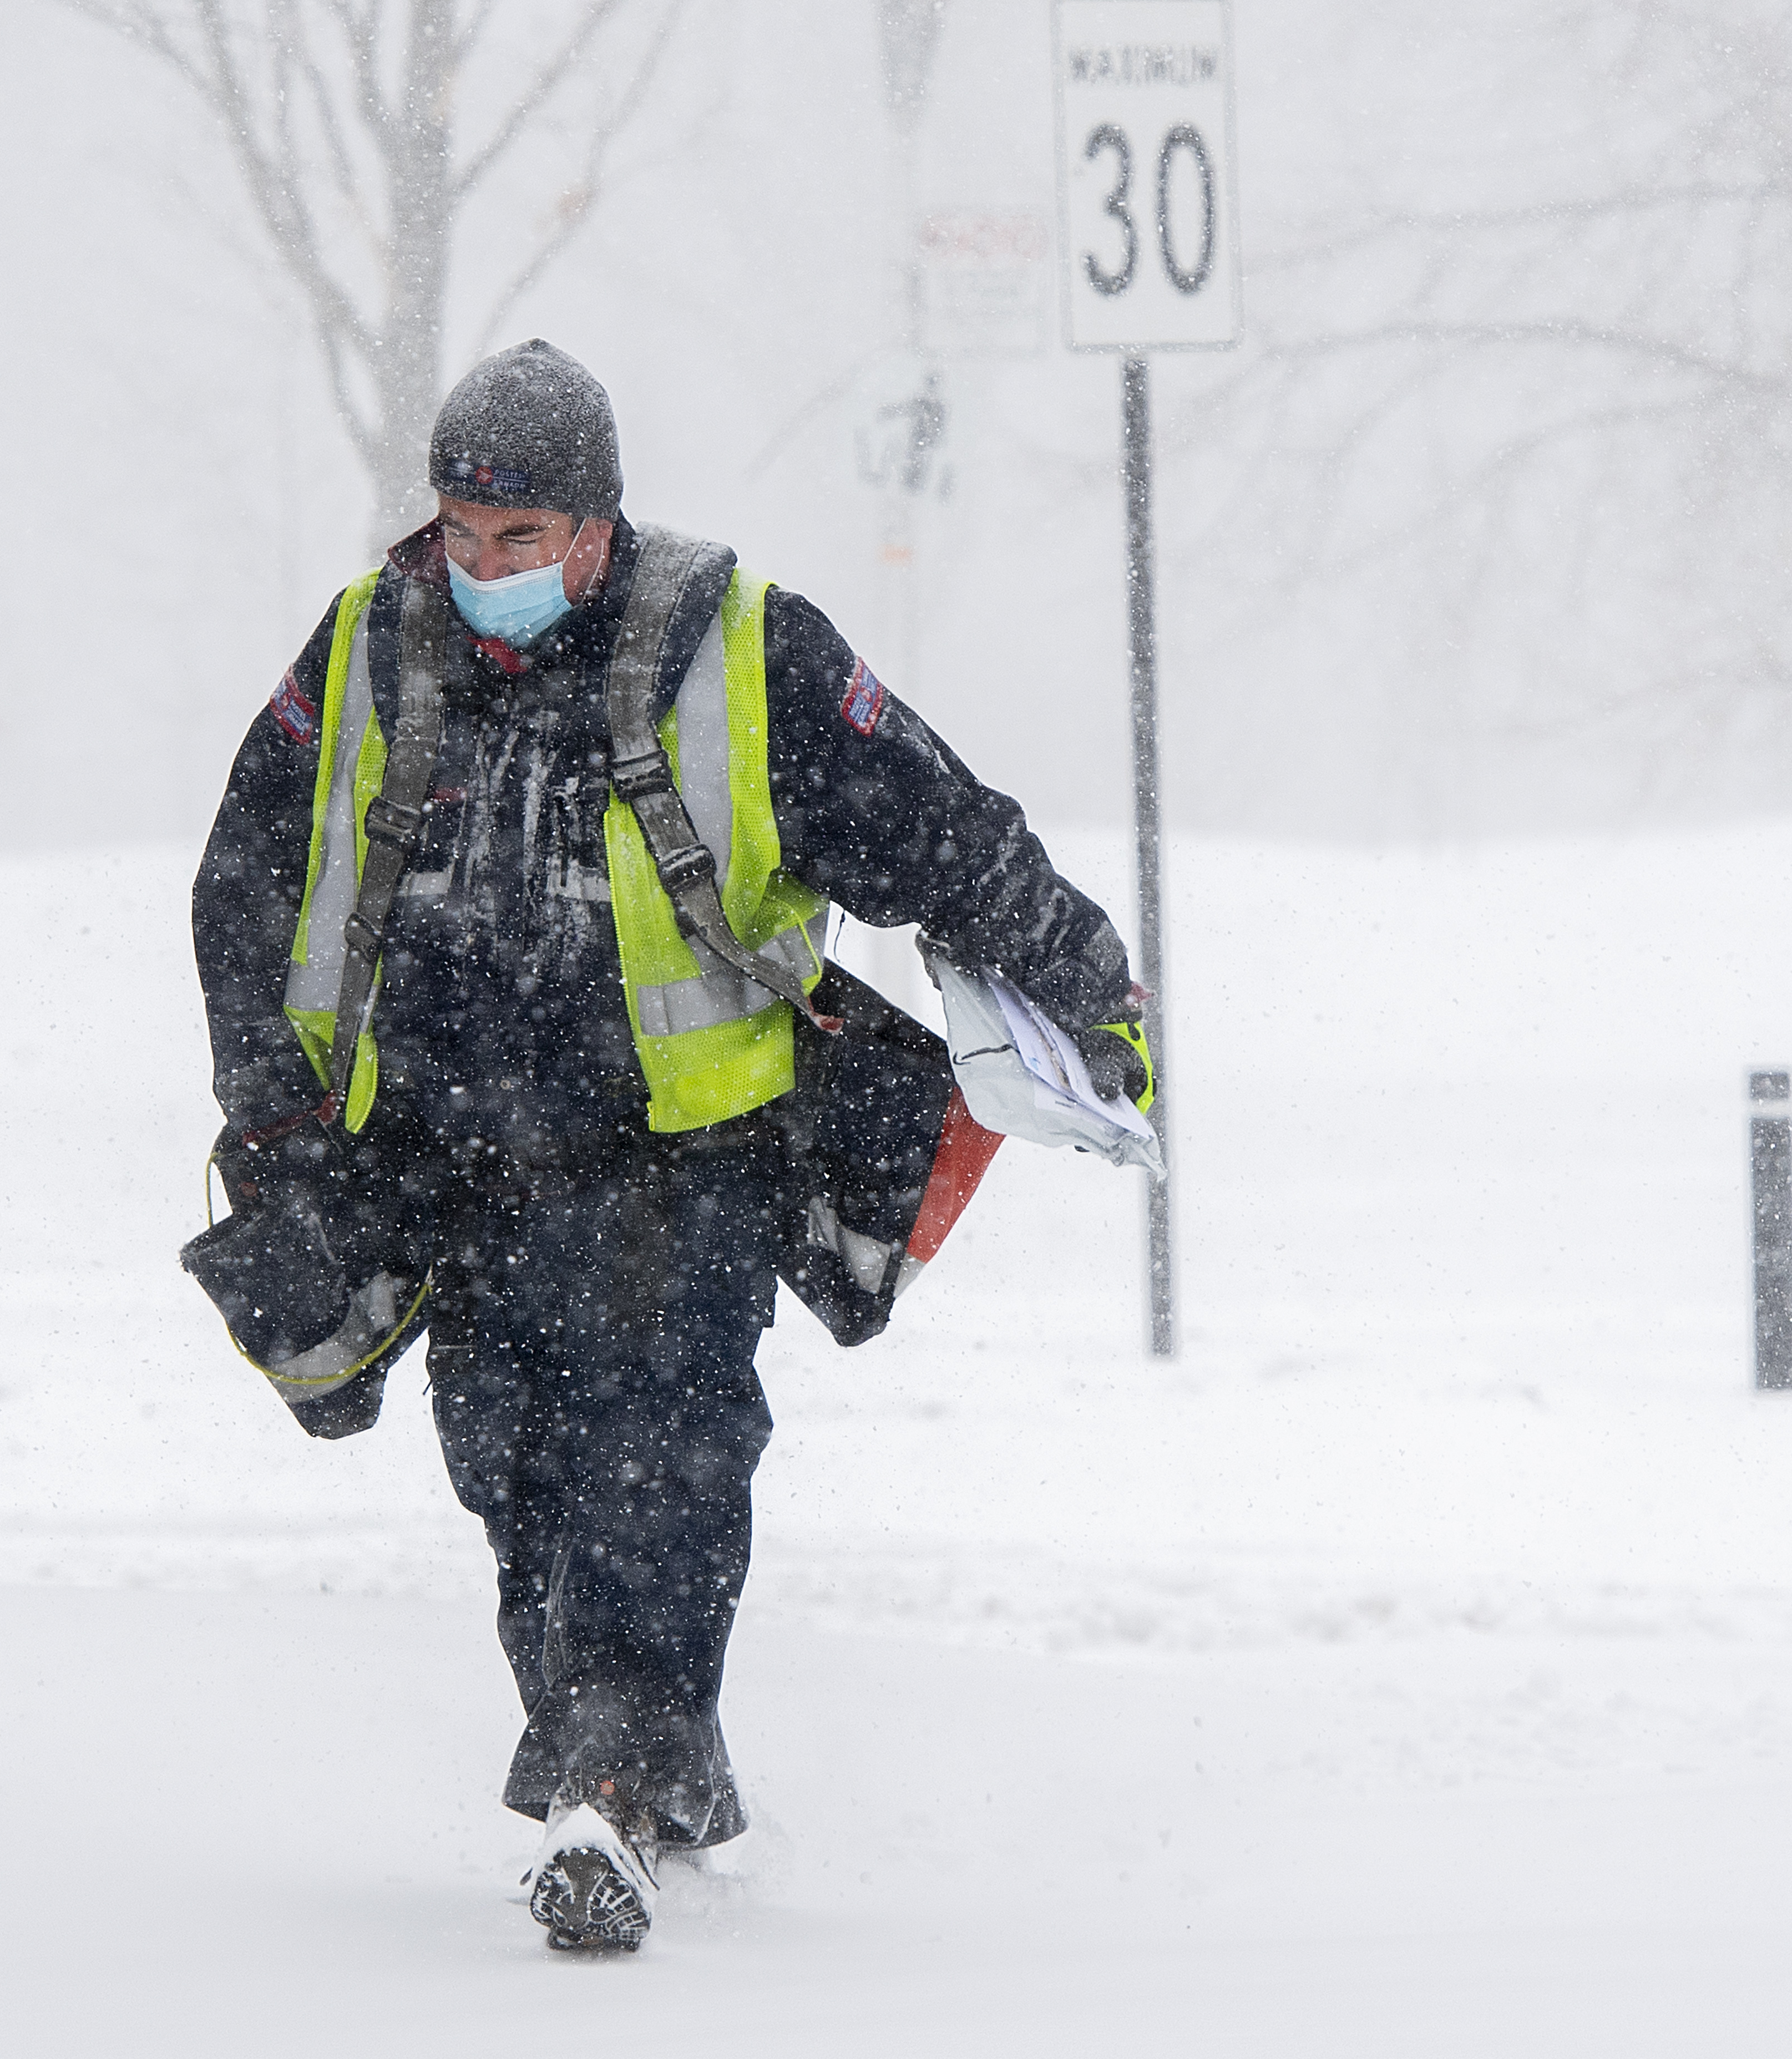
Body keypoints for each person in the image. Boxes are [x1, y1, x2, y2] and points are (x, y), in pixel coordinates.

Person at [190, 339, 1146, 1951]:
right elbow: (245, 883)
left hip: (679, 1162)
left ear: (595, 525)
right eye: (457, 531)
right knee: (515, 1478)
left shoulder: (738, 644)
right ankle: (634, 1774)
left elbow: (942, 834)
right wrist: (278, 1119)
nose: (479, 566)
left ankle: (615, 1787)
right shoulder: (366, 646)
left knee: (664, 1461)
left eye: (517, 537)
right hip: (453, 1160)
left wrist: (1089, 987)